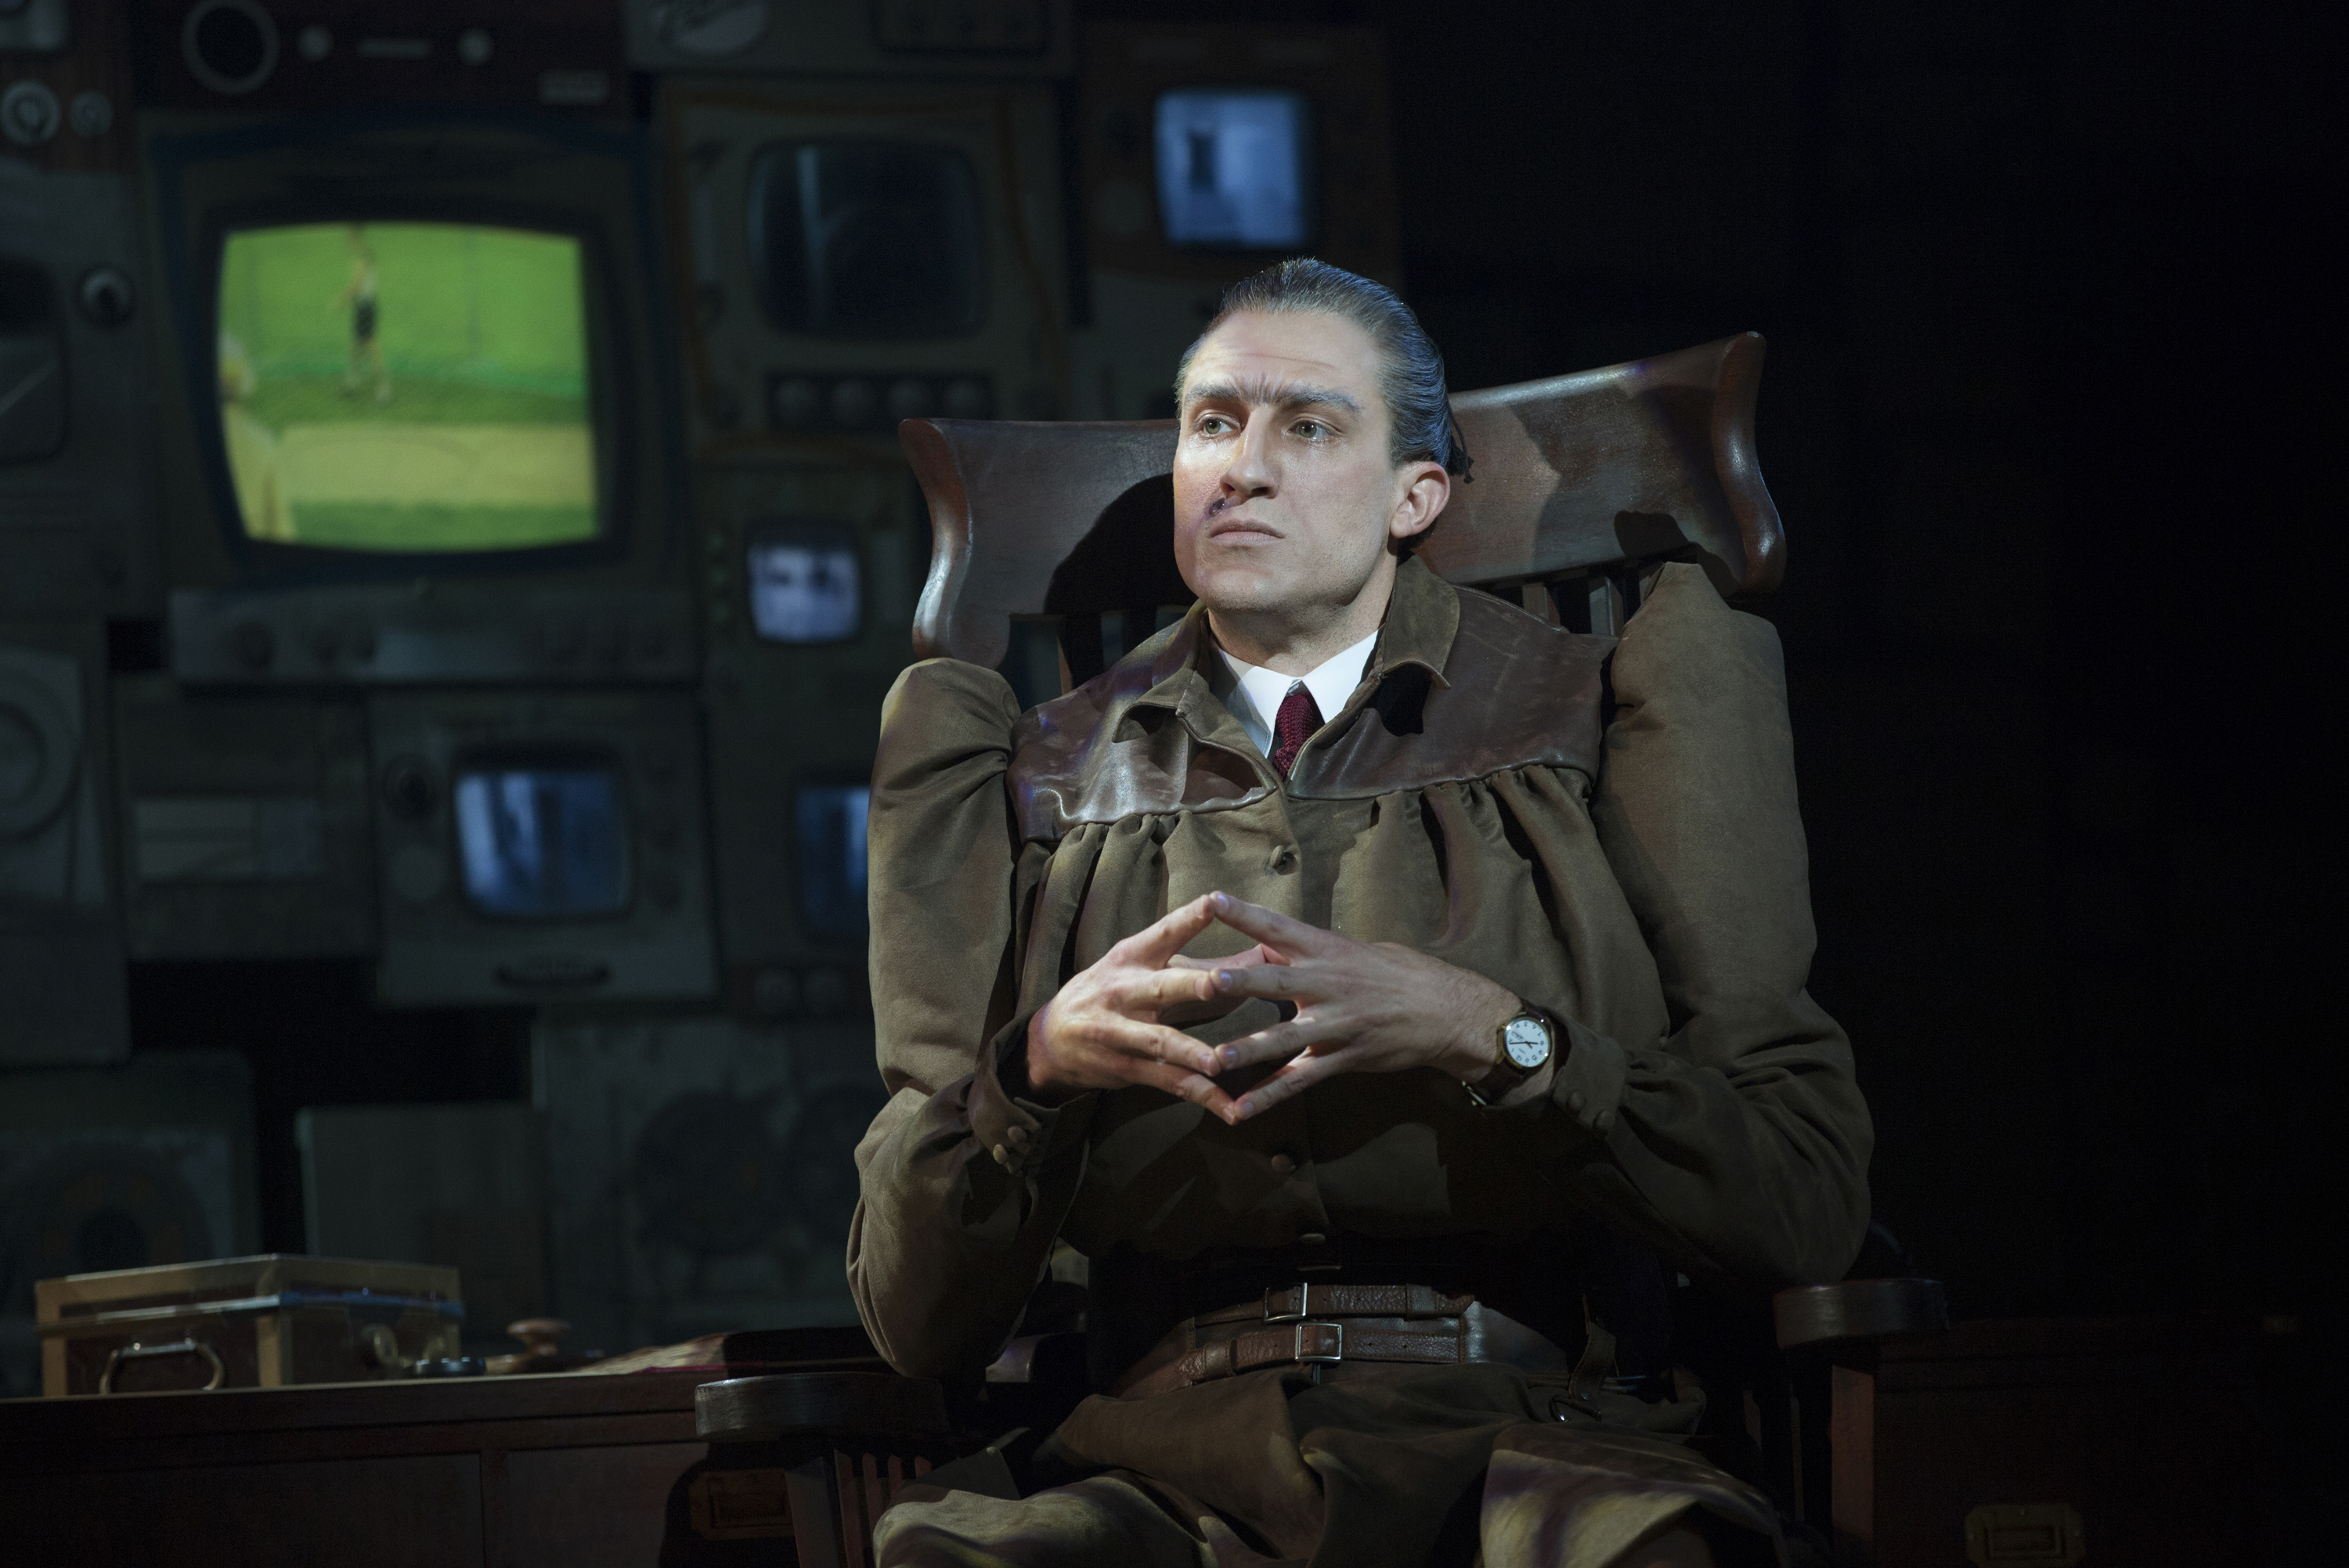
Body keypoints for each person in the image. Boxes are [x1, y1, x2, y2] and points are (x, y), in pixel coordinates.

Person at [852, 259, 1872, 1567]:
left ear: (1416, 494)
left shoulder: (1592, 708)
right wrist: (1033, 1070)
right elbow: (910, 1316)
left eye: (1309, 426)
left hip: (1528, 1436)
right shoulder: (1038, 772)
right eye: (1213, 423)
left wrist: (1494, 1033)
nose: (1243, 468)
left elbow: (1801, 1196)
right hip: (1166, 1457)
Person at [334, 225, 390, 406]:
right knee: (357, 345)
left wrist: (340, 300)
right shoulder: (364, 255)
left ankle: (383, 388)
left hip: (365, 307)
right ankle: (353, 382)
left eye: (349, 235)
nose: (347, 240)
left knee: (372, 347)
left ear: (355, 236)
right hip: (363, 306)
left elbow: (356, 285)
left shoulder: (362, 257)